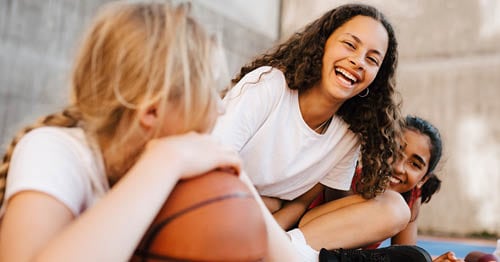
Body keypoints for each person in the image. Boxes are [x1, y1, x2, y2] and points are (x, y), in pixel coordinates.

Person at [0, 2, 249, 261]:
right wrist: (164, 161)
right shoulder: (52, 151)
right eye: (209, 89)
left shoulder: (184, 173)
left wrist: (241, 184)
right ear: (152, 112)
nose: (221, 107)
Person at [211, 3, 436, 261]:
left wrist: (278, 236)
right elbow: (214, 166)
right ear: (323, 43)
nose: (357, 61)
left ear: (377, 76)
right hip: (218, 203)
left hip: (275, 227)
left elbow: (305, 205)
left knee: (395, 208)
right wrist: (266, 207)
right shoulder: (269, 84)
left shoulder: (349, 134)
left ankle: (282, 252)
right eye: (350, 45)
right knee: (268, 203)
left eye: (372, 59)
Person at [306, 115, 461, 261]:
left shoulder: (411, 195)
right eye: (395, 151)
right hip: (306, 238)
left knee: (418, 256)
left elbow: (405, 253)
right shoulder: (350, 176)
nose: (399, 167)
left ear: (423, 179)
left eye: (415, 164)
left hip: (337, 256)